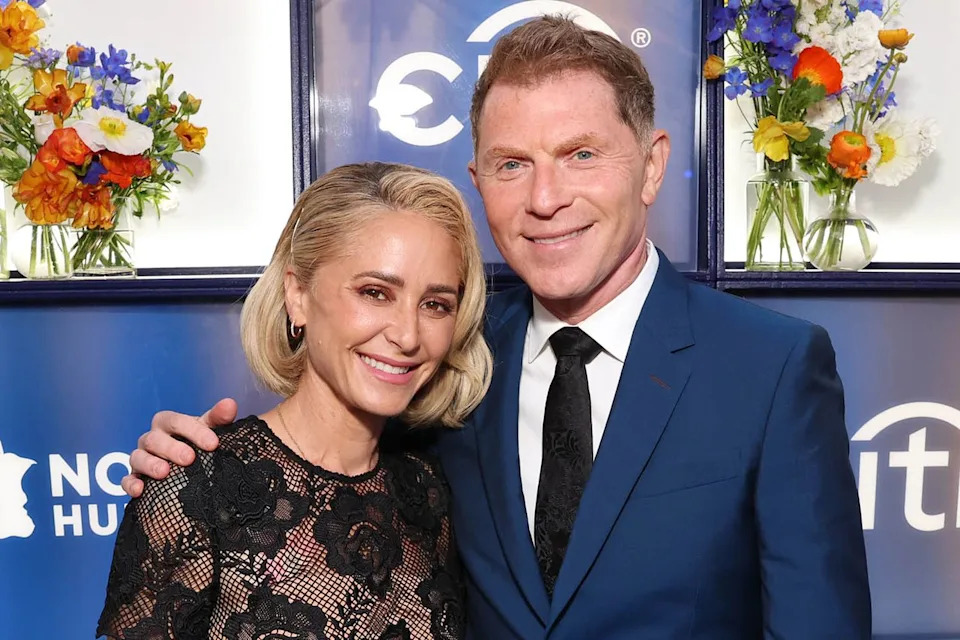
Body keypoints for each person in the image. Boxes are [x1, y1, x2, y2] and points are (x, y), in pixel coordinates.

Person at [123, 16, 872, 639]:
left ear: (650, 167)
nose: (545, 198)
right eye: (512, 164)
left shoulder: (771, 367)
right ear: (479, 182)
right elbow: (324, 460)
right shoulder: (454, 360)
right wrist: (189, 471)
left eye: (580, 155)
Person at [98, 162, 492, 639]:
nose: (408, 335)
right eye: (375, 292)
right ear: (298, 294)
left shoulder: (429, 490)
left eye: (435, 305)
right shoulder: (198, 488)